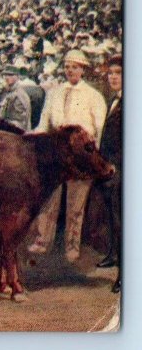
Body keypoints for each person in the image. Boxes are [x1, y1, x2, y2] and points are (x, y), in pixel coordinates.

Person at [27, 49, 107, 262]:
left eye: (75, 67)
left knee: (76, 205)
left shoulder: (93, 96)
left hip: (81, 158)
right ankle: (42, 240)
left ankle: (72, 247)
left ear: (83, 69)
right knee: (48, 200)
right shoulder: (54, 92)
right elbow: (44, 123)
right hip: (56, 156)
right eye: (67, 66)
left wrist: (92, 159)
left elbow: (99, 130)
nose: (70, 70)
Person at [95, 54, 121, 293]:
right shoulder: (114, 99)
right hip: (110, 167)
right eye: (111, 73)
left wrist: (117, 166)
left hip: (121, 169)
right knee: (113, 216)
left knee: (124, 220)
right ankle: (114, 254)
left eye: (118, 73)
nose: (113, 77)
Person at [0, 66, 32, 131]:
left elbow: (22, 120)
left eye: (10, 75)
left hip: (17, 130)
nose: (6, 77)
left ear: (17, 77)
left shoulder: (20, 94)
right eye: (5, 75)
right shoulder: (7, 92)